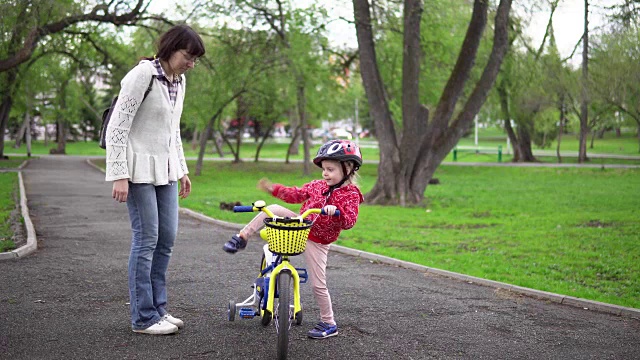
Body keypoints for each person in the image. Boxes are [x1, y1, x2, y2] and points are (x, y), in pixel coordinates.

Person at [105, 24, 205, 335]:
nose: (191, 63)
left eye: (195, 60)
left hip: (166, 170)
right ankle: (143, 317)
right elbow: (118, 127)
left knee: (167, 240)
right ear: (171, 49)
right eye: (188, 56)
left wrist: (183, 168)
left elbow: (173, 130)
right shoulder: (143, 74)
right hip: (137, 170)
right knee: (146, 240)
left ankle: (159, 309)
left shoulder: (180, 80)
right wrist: (119, 174)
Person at [223, 139, 364, 339]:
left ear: (348, 168)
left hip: (318, 241)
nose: (325, 174)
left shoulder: (351, 195)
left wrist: (337, 212)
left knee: (318, 284)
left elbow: (350, 221)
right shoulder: (317, 185)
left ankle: (329, 322)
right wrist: (273, 189)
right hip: (299, 226)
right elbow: (295, 194)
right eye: (324, 169)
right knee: (271, 210)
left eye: (330, 169)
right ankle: (242, 236)